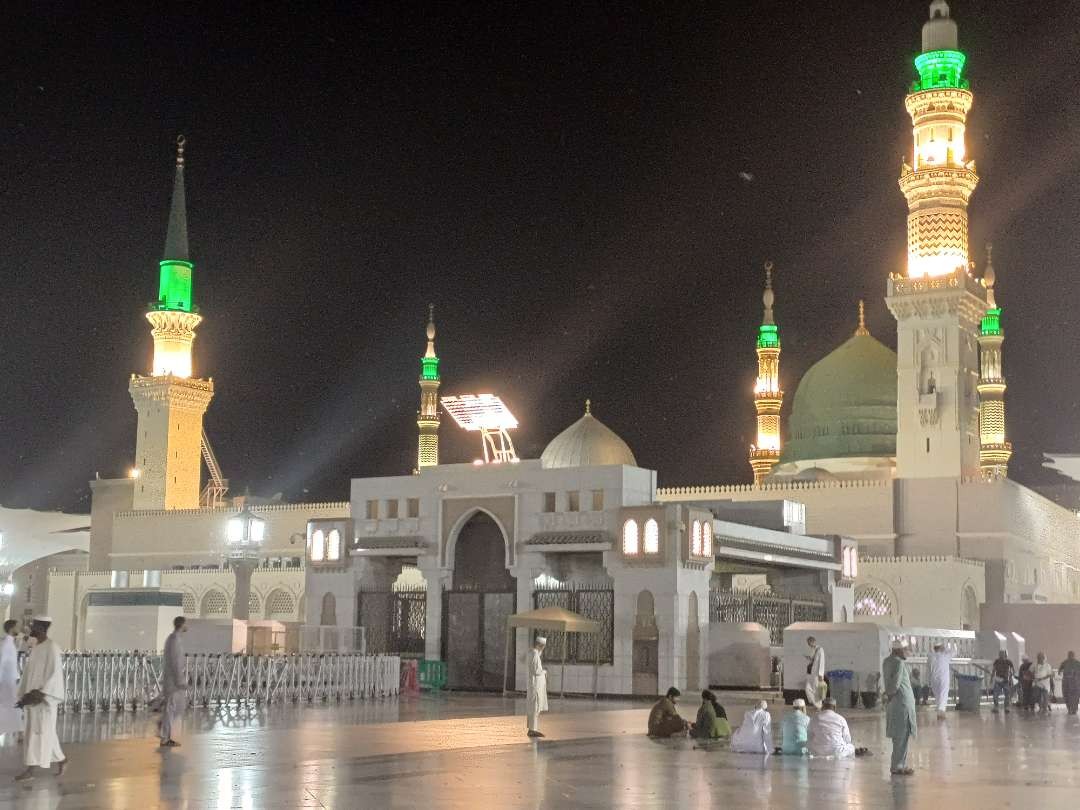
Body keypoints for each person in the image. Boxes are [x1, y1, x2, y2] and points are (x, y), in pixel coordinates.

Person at [15, 616, 65, 782]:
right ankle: (63, 760)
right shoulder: (37, 647)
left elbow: (55, 675)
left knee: (37, 734)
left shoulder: (52, 648)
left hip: (43, 700)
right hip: (32, 698)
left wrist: (42, 693)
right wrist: (24, 695)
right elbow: (29, 673)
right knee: (43, 733)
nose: (31, 628)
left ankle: (30, 770)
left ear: (41, 628)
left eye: (34, 626)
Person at [883, 639, 917, 776]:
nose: (907, 652)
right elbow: (895, 684)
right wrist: (890, 695)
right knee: (902, 736)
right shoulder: (899, 663)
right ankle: (898, 765)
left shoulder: (887, 661)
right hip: (902, 703)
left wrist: (888, 698)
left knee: (898, 735)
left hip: (895, 703)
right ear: (897, 650)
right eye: (905, 650)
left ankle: (898, 764)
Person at [159, 616, 188, 747]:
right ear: (182, 625)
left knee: (172, 708)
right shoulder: (175, 640)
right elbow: (176, 663)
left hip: (171, 680)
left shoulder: (172, 639)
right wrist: (179, 681)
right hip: (173, 681)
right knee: (171, 709)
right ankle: (165, 736)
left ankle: (165, 733)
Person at [0, 620, 22, 739]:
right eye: (17, 626)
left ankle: (18, 732)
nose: (19, 628)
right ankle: (18, 732)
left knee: (12, 706)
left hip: (11, 680)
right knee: (9, 706)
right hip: (6, 682)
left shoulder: (11, 643)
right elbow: (2, 662)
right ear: (11, 628)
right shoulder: (6, 644)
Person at [526, 636, 549, 738]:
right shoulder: (535, 654)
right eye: (543, 646)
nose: (543, 649)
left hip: (534, 685)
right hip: (535, 686)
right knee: (535, 707)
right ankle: (532, 730)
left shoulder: (532, 653)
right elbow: (536, 671)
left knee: (534, 707)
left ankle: (532, 729)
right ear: (540, 645)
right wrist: (544, 671)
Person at [926, 643, 953, 718]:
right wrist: (945, 649)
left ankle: (939, 711)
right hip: (943, 679)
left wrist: (928, 682)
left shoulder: (930, 657)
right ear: (941, 648)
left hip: (934, 680)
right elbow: (954, 652)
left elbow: (928, 671)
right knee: (943, 695)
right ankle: (941, 711)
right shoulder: (945, 656)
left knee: (938, 696)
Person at [805, 637, 826, 709]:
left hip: (817, 674)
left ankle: (819, 705)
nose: (809, 644)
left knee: (816, 690)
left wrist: (821, 674)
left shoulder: (820, 650)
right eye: (808, 643)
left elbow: (821, 662)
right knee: (808, 688)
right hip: (812, 673)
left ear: (813, 641)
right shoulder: (813, 650)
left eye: (809, 642)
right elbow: (814, 661)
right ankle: (815, 704)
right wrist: (809, 659)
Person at [1059, 651, 1080, 715]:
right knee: (1066, 696)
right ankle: (1069, 709)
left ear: (1074, 656)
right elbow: (1059, 671)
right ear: (1068, 656)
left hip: (1075, 684)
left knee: (1075, 697)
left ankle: (1074, 709)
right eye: (1069, 655)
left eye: (1072, 655)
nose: (1070, 656)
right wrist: (1061, 672)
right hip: (1066, 683)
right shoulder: (1064, 662)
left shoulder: (1078, 663)